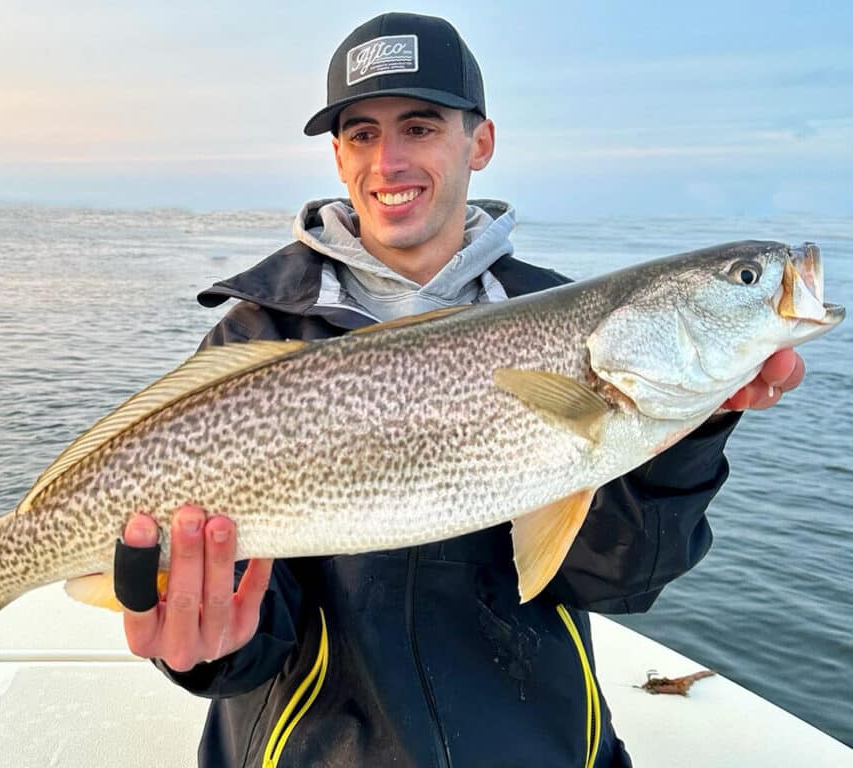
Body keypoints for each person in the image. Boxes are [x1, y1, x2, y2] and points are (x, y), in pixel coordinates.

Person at [114, 13, 806, 767]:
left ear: (480, 142)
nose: (389, 161)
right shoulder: (255, 340)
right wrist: (209, 650)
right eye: (362, 134)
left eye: (419, 126)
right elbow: (249, 629)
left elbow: (615, 583)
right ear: (339, 158)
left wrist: (691, 431)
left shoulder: (560, 315)